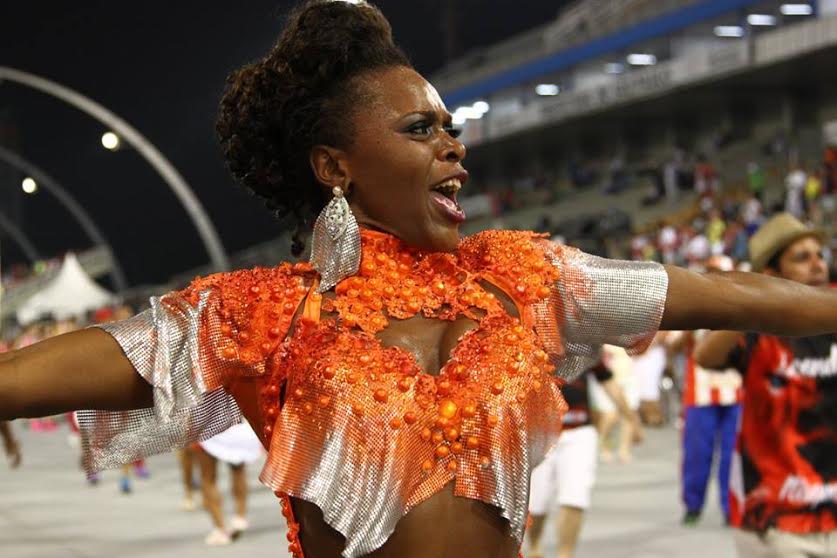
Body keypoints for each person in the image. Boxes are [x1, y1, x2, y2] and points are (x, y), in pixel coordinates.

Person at [3, 3, 837, 557]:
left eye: (450, 126)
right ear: (335, 166)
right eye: (419, 128)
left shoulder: (523, 276)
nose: (453, 144)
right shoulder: (256, 315)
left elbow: (742, 296)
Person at [696, 213, 837, 557]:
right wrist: (756, 300)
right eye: (801, 258)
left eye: (820, 255)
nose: (817, 265)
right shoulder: (758, 332)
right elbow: (705, 356)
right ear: (772, 274)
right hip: (775, 521)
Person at [526, 359, 641, 558]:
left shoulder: (586, 346)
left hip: (580, 433)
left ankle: (565, 555)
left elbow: (608, 381)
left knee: (574, 497)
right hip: (539, 434)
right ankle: (535, 548)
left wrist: (632, 419)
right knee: (537, 503)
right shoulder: (531, 346)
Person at [669, 255, 743, 527]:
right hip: (699, 396)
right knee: (697, 454)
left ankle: (730, 508)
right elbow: (672, 346)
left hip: (736, 393)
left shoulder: (745, 309)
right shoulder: (693, 308)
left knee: (732, 456)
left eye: (720, 273)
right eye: (711, 272)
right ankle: (693, 506)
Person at [196, 421, 264, 545]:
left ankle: (220, 528)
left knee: (208, 478)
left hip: (205, 425)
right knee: (238, 470)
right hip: (233, 426)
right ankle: (240, 517)